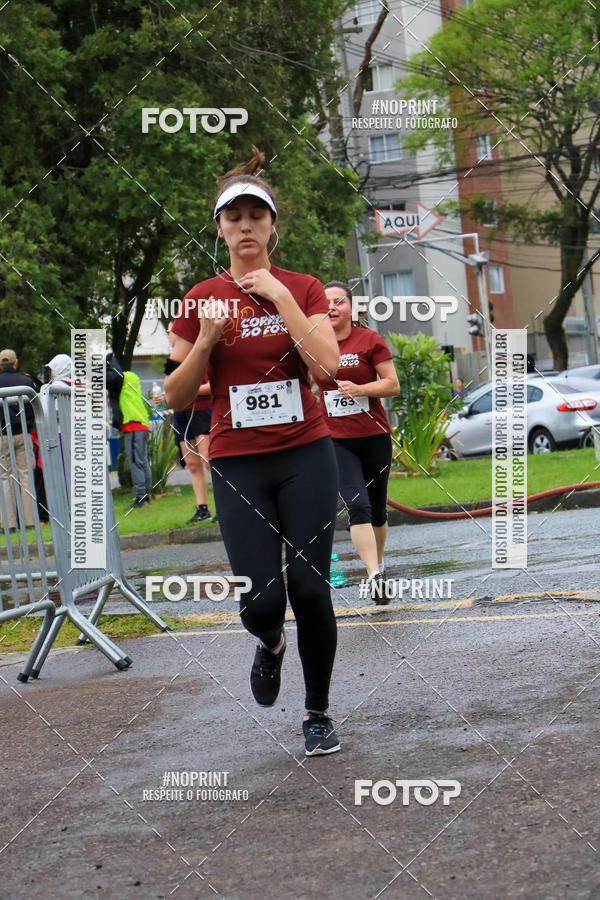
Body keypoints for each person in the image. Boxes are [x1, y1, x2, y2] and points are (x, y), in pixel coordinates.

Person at [164, 147, 342, 756]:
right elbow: (175, 393)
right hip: (238, 463)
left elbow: (328, 369)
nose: (244, 226)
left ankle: (317, 711)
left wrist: (281, 299)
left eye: (255, 216)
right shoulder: (199, 298)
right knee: (262, 599)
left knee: (312, 590)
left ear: (271, 227)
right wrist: (207, 338)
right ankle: (269, 645)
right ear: (219, 228)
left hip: (306, 452)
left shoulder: (305, 287)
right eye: (233, 217)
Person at [315, 282, 400, 602]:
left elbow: (392, 385)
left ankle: (379, 562)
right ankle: (374, 576)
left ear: (352, 308)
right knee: (358, 505)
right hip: (337, 440)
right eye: (326, 303)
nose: (332, 307)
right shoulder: (315, 344)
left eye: (339, 302)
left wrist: (361, 389)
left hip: (375, 436)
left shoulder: (369, 340)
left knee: (377, 510)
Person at [167, 321, 214, 524]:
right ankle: (202, 508)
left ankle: (224, 505)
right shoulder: (173, 360)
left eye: (174, 331)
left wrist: (189, 390)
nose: (171, 335)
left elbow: (213, 385)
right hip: (181, 414)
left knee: (208, 460)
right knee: (193, 464)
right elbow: (171, 388)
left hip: (202, 411)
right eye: (169, 332)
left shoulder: (202, 353)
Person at [0, 348, 37, 530]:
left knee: (5, 478)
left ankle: (8, 524)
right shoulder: (26, 380)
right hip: (22, 432)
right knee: (26, 475)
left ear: (0, 364)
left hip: (2, 435)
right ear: (15, 363)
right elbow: (33, 408)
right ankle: (30, 522)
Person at [119, 371, 152, 508]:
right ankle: (147, 495)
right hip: (142, 425)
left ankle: (140, 498)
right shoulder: (133, 382)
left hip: (133, 426)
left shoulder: (123, 383)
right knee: (143, 462)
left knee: (135, 462)